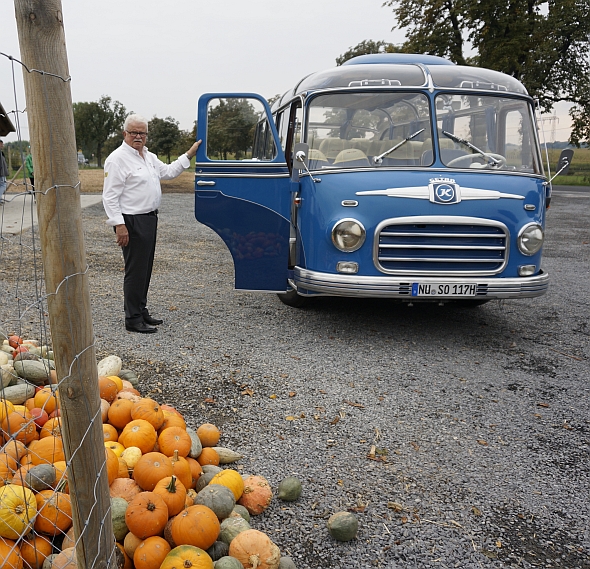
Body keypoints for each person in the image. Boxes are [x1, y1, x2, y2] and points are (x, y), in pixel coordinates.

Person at [102, 114, 201, 334]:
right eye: (133, 132)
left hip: (149, 218)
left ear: (147, 134)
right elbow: (109, 196)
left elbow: (168, 172)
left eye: (142, 133)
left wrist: (189, 154)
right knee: (135, 270)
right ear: (124, 133)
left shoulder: (147, 156)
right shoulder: (117, 159)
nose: (138, 136)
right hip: (131, 220)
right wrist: (119, 225)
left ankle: (141, 309)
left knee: (145, 269)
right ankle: (133, 318)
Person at [0, 140, 7, 204]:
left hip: (2, 171)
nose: (2, 145)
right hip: (1, 172)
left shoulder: (1, 152)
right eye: (1, 144)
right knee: (3, 185)